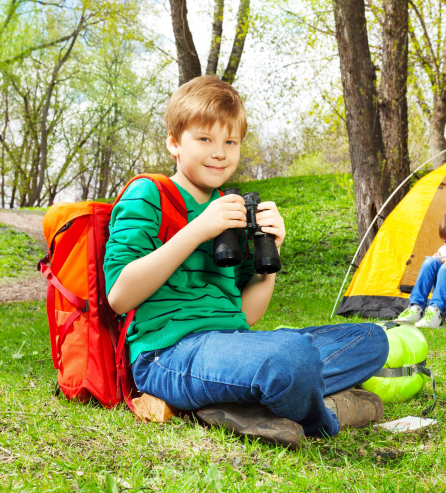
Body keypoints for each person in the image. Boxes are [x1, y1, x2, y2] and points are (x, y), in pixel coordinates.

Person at [103, 76, 389, 448]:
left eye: (230, 142)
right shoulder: (148, 193)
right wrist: (197, 230)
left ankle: (245, 404)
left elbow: (246, 315)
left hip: (232, 345)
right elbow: (119, 297)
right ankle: (326, 413)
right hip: (167, 355)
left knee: (371, 339)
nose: (219, 153)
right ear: (174, 142)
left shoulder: (231, 209)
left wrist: (272, 254)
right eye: (204, 139)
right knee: (291, 359)